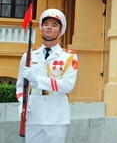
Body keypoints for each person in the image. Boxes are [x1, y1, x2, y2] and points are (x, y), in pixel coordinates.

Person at [16, 8, 78, 143]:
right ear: (41, 29)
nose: (49, 27)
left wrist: (36, 79)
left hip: (56, 115)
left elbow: (67, 86)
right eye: (46, 24)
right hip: (33, 114)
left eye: (54, 25)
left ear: (60, 31)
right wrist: (22, 103)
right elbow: (20, 86)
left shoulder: (69, 57)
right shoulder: (28, 56)